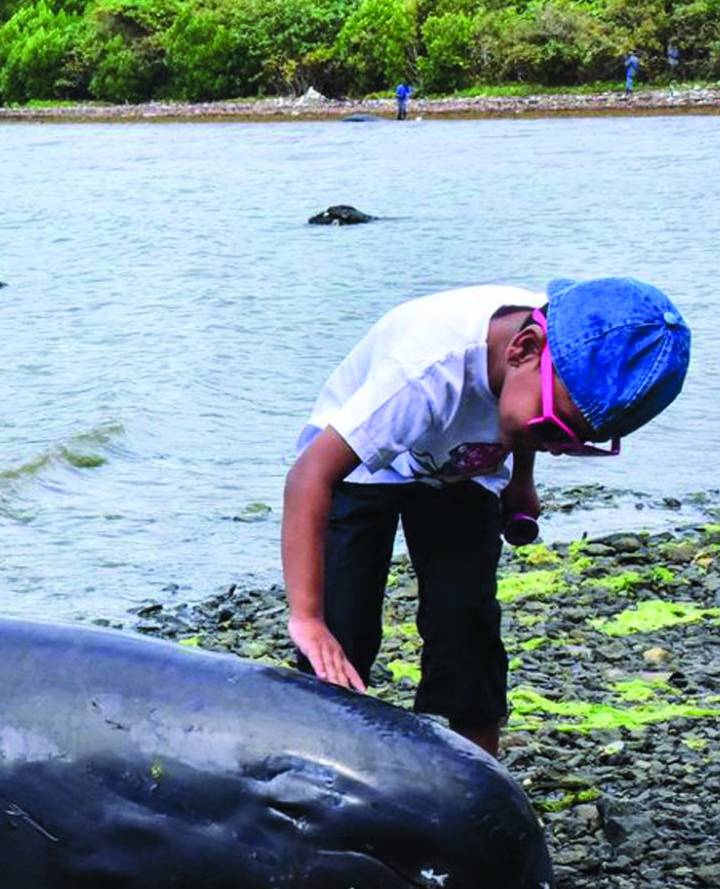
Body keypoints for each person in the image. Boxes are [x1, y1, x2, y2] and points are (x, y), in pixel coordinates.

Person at [281, 279, 691, 756]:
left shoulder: (561, 346)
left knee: (466, 617)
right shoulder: (423, 374)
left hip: (461, 465)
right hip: (364, 465)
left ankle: (475, 771)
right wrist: (307, 618)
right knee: (343, 620)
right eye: (555, 432)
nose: (557, 449)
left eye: (576, 443)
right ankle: (318, 759)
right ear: (522, 349)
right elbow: (309, 476)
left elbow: (530, 417)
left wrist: (522, 482)